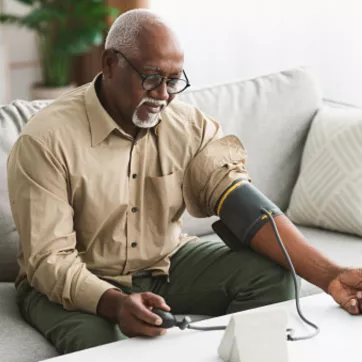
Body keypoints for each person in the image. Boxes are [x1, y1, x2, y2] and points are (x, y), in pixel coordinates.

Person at [7, 9, 362, 356]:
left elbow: (242, 204)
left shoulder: (189, 127)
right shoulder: (46, 140)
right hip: (76, 279)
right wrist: (115, 305)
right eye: (151, 77)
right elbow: (49, 260)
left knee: (274, 278)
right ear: (110, 64)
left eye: (174, 79)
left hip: (165, 261)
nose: (164, 94)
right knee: (111, 345)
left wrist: (329, 275)